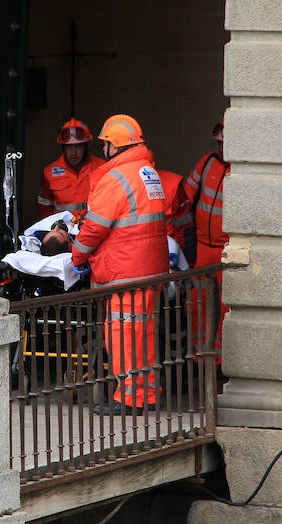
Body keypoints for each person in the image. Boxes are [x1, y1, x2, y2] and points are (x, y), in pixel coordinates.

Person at [72, 114, 169, 414]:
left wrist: (77, 254)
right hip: (150, 268)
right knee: (146, 334)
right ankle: (148, 394)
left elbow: (95, 227)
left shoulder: (115, 178)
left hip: (124, 272)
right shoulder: (147, 171)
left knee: (123, 336)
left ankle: (129, 398)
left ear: (114, 146)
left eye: (105, 144)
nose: (102, 149)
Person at [183, 121, 230, 366]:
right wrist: (186, 240)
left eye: (226, 144)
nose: (222, 149)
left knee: (227, 307)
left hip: (227, 249)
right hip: (202, 246)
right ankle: (199, 356)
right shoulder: (207, 162)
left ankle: (221, 362)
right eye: (219, 144)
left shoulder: (243, 170)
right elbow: (185, 197)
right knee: (196, 302)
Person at [37, 118, 106, 220]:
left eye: (78, 147)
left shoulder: (102, 167)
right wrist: (49, 230)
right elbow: (44, 206)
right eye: (69, 147)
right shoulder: (49, 172)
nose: (73, 153)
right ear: (63, 147)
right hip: (61, 231)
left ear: (85, 146)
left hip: (92, 229)